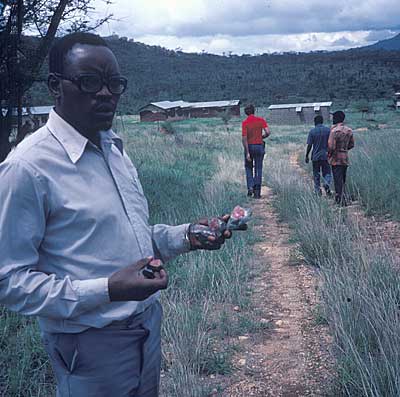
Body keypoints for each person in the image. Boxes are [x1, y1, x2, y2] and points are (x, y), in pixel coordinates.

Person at [0, 33, 239, 397]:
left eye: (114, 84)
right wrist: (107, 290)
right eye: (90, 82)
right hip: (88, 345)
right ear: (55, 87)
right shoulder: (27, 168)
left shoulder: (114, 151)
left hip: (147, 327)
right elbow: (9, 281)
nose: (106, 94)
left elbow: (128, 237)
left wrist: (187, 235)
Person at [241, 104, 270, 199]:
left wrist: (247, 152)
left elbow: (244, 138)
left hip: (249, 146)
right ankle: (257, 191)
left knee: (248, 167)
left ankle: (250, 186)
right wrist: (261, 137)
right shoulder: (261, 120)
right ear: (254, 111)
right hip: (259, 146)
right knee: (258, 168)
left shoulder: (245, 123)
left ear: (246, 113)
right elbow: (268, 132)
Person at [328, 110, 355, 205]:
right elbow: (351, 145)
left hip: (336, 158)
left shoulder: (334, 131)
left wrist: (329, 155)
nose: (332, 119)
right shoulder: (349, 130)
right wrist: (344, 149)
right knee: (343, 179)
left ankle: (340, 199)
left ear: (336, 118)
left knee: (337, 179)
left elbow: (331, 146)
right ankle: (343, 197)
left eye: (333, 117)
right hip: (345, 157)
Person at [305, 115, 332, 196]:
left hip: (315, 156)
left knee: (316, 174)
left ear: (315, 122)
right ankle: (327, 183)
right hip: (326, 156)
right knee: (327, 172)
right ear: (322, 121)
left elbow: (309, 145)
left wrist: (307, 155)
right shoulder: (328, 130)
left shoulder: (312, 131)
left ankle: (317, 191)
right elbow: (331, 143)